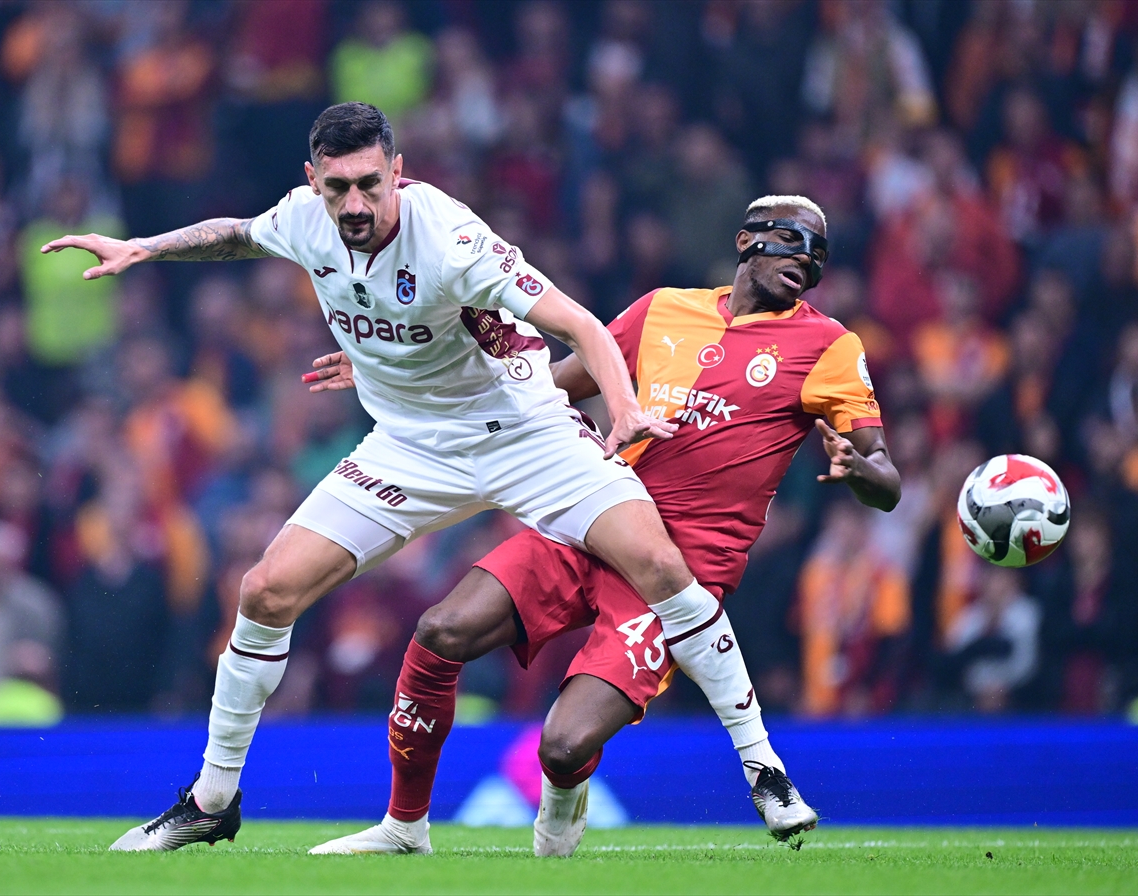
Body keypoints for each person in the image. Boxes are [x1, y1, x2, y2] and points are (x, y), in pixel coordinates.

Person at [42, 103, 773, 852]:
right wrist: (142, 247)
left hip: (524, 434)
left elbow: (581, 325)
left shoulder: (452, 237)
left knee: (659, 565)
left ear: (397, 171)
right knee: (264, 592)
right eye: (337, 188)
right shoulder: (305, 218)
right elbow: (237, 233)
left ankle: (763, 770)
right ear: (313, 181)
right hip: (410, 446)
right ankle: (212, 801)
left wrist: (622, 410)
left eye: (370, 184)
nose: (355, 204)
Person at [324, 195, 901, 857]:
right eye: (796, 240)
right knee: (440, 629)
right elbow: (546, 386)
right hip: (592, 521)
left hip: (676, 576)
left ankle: (565, 802)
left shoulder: (828, 345)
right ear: (748, 240)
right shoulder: (661, 310)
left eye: (820, 254)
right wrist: (400, 373)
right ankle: (403, 826)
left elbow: (888, 482)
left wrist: (859, 467)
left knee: (562, 745)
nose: (808, 260)